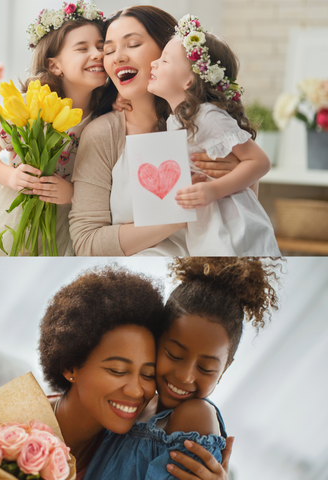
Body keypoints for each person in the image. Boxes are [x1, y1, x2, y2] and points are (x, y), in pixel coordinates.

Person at [0, 265, 232, 480]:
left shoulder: (125, 442)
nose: (137, 391)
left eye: (147, 374)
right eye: (118, 370)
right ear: (71, 366)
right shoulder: (7, 425)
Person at [68, 6, 252, 256]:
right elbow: (87, 244)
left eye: (132, 44)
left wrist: (239, 179)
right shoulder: (103, 134)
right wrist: (176, 217)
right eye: (109, 50)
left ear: (168, 51)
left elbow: (248, 213)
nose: (117, 57)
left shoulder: (208, 123)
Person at [84, 256, 281, 480]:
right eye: (174, 355)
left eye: (206, 368)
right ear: (157, 339)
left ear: (224, 369)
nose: (185, 376)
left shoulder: (196, 416)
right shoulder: (135, 403)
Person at [0, 1, 106, 256]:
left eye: (101, 46)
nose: (97, 54)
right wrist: (12, 177)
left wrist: (74, 194)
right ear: (55, 66)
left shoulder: (106, 118)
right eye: (82, 48)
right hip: (14, 215)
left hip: (67, 225)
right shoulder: (31, 107)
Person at [148, 15, 280, 255]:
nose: (153, 63)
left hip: (235, 225)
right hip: (206, 226)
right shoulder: (174, 120)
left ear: (190, 80)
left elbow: (260, 162)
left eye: (165, 60)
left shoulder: (207, 116)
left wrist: (214, 190)